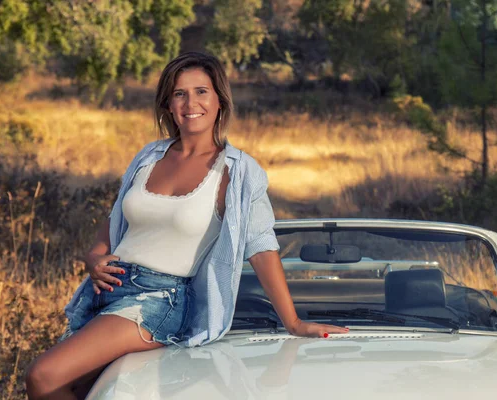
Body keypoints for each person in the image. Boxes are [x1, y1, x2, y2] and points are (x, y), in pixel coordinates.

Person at [25, 51, 349, 400]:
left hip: (158, 300)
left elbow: (261, 245)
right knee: (86, 391)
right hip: (105, 293)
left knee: (44, 377)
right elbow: (118, 218)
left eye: (201, 91)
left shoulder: (237, 171)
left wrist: (294, 323)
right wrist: (94, 256)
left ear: (220, 101)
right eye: (180, 93)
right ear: (167, 103)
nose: (190, 102)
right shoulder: (149, 156)